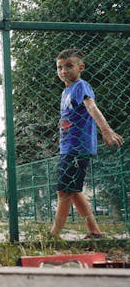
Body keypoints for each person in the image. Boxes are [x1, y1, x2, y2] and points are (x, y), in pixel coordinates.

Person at [50, 48, 124, 240]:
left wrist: (106, 130)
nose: (64, 71)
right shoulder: (66, 91)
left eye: (69, 66)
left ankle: (54, 235)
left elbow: (91, 107)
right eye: (60, 67)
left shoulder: (81, 86)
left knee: (63, 190)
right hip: (68, 147)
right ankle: (95, 231)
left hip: (78, 147)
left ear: (81, 67)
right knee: (73, 191)